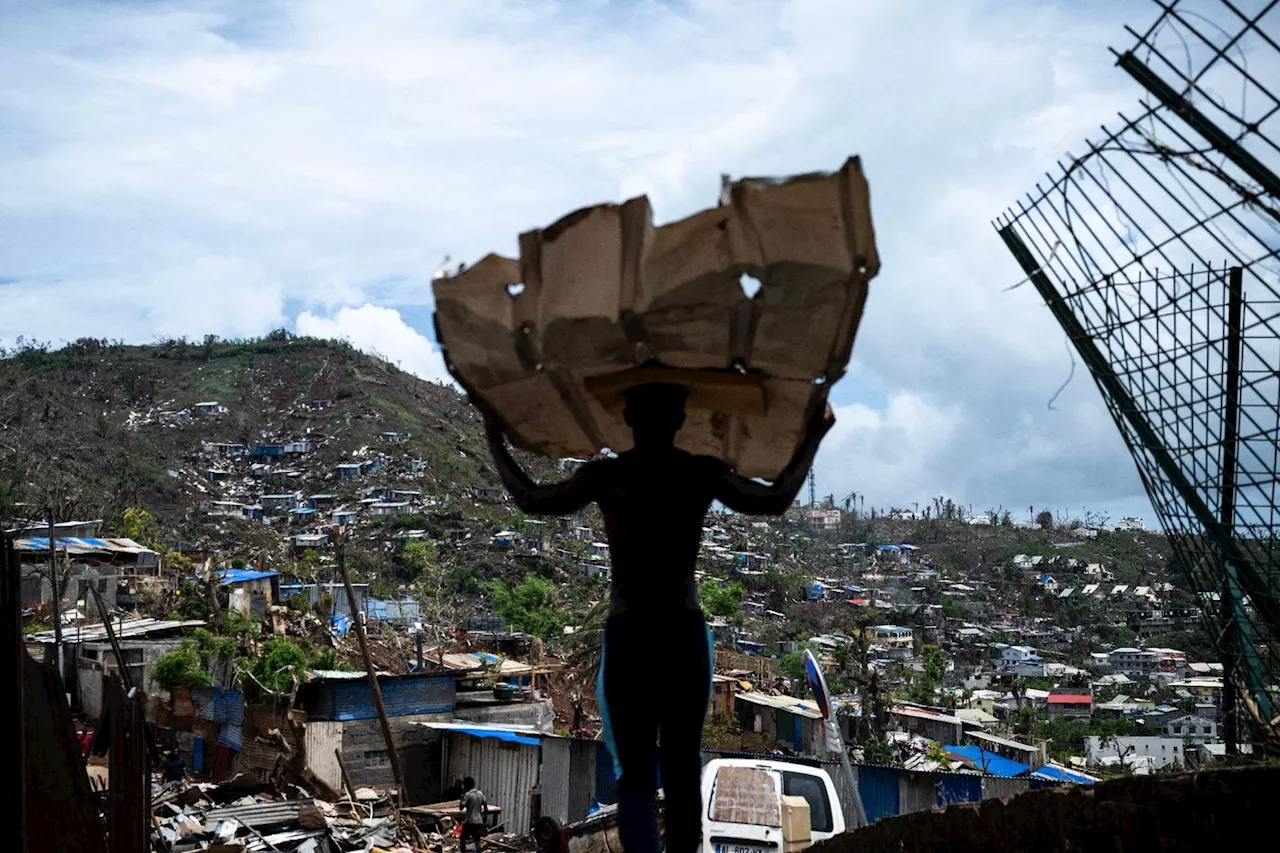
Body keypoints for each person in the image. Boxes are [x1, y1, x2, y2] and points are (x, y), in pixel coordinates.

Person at [479, 383, 835, 853]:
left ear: (628, 420)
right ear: (679, 420)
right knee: (683, 768)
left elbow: (530, 497)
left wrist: (493, 435)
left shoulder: (607, 476)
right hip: (681, 636)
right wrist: (814, 434)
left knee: (638, 777)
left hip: (631, 638)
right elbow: (773, 499)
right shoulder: (697, 472)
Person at [459, 776, 488, 853]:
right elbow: (485, 806)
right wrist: (484, 817)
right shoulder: (480, 793)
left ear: (466, 785)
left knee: (462, 839)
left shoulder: (468, 794)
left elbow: (461, 807)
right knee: (477, 839)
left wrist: (462, 796)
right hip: (479, 820)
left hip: (469, 821)